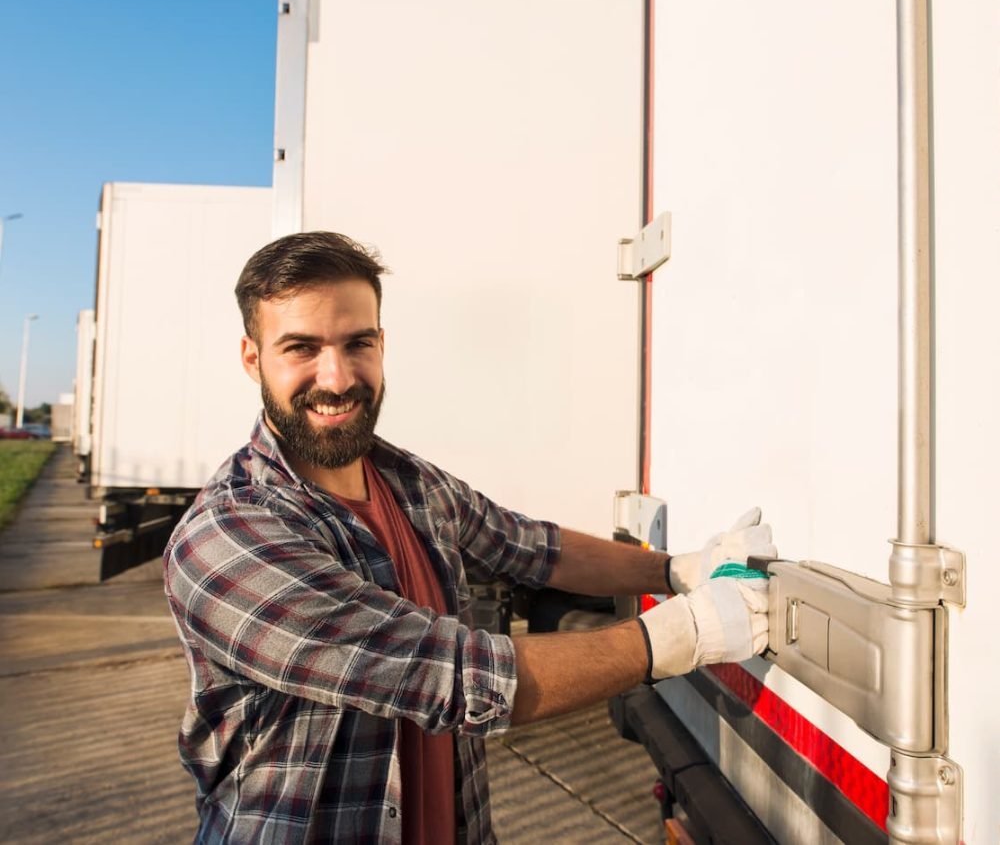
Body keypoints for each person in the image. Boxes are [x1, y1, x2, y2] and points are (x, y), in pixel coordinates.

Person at [163, 231, 775, 844]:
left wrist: (677, 570)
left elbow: (532, 548)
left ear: (382, 344)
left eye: (358, 344)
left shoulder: (409, 482)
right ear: (252, 358)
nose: (338, 376)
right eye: (301, 347)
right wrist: (684, 635)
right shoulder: (227, 535)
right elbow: (448, 675)